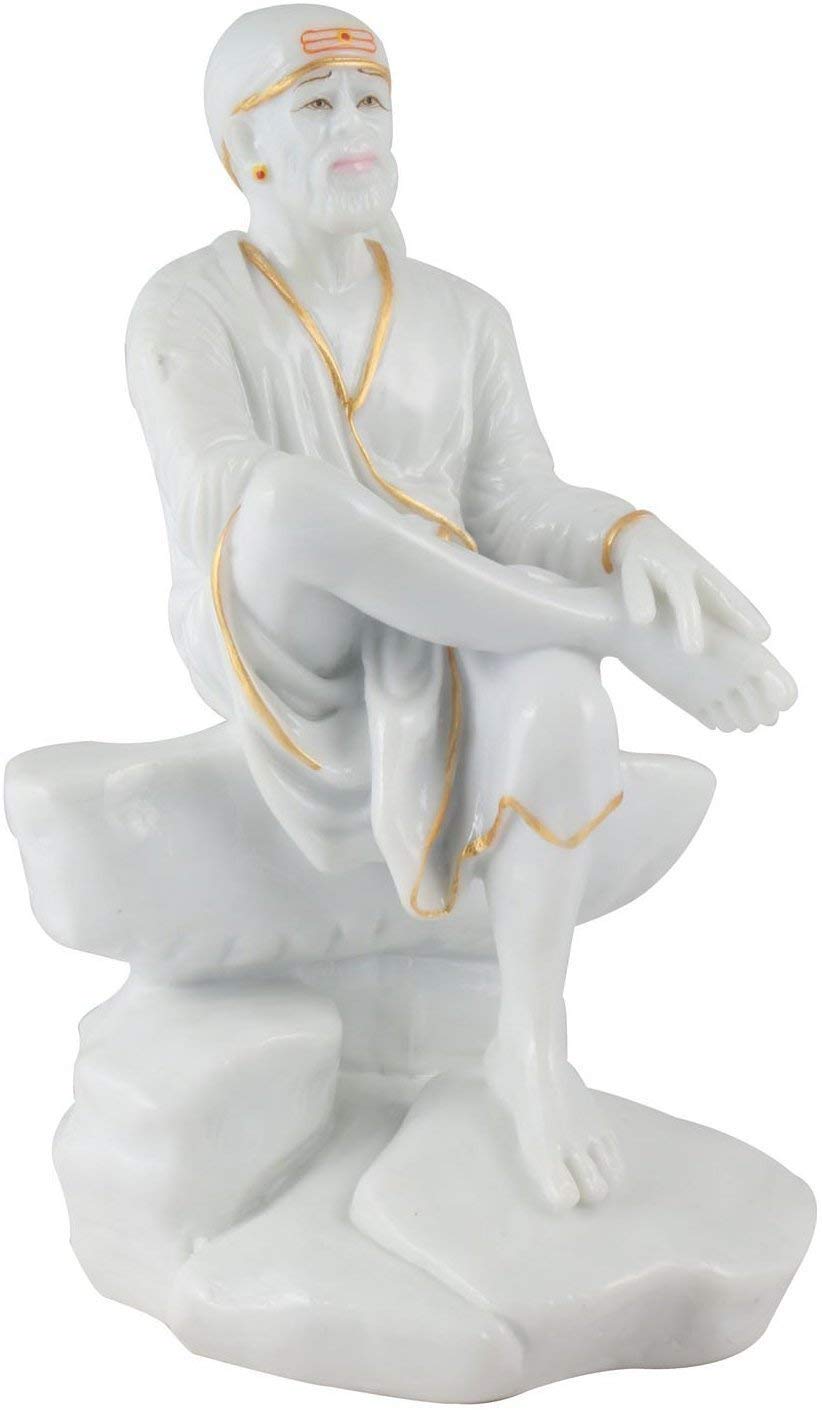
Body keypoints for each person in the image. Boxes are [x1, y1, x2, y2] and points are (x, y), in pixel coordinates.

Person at [127, 4, 795, 1208]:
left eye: (371, 102)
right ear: (244, 149)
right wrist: (598, 605)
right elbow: (220, 493)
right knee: (282, 501)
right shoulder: (186, 304)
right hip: (285, 629)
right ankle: (609, 631)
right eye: (316, 105)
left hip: (460, 615)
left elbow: (514, 502)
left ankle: (530, 1047)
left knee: (558, 697)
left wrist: (626, 533)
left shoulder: (466, 315)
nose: (356, 128)